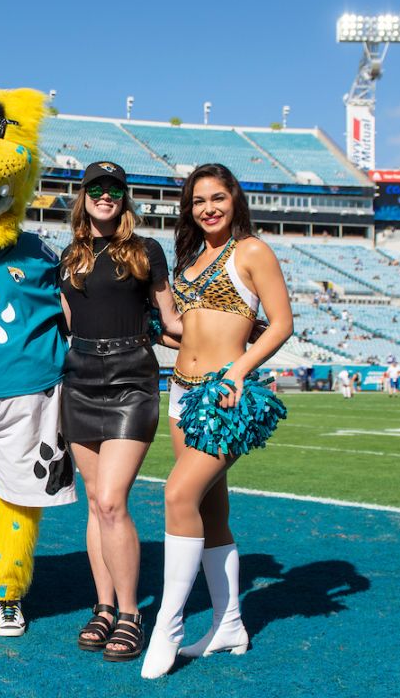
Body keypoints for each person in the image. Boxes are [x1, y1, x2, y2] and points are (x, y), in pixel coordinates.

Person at [141, 163, 292, 678]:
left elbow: (283, 324)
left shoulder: (251, 251)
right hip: (179, 393)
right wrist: (153, 332)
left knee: (177, 496)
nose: (208, 208)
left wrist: (239, 371)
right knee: (212, 513)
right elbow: (190, 330)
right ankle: (228, 623)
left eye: (217, 198)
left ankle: (168, 624)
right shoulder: (192, 256)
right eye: (198, 200)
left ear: (235, 200)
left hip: (223, 398)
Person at [57, 162, 181, 662]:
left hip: (132, 377)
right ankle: (103, 607)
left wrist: (229, 336)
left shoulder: (147, 251)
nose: (105, 196)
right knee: (94, 502)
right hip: (80, 379)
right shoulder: (68, 257)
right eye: (96, 189)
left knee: (111, 500)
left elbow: (170, 321)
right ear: (83, 197)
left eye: (114, 190)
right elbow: (68, 323)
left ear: (124, 199)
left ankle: (130, 614)